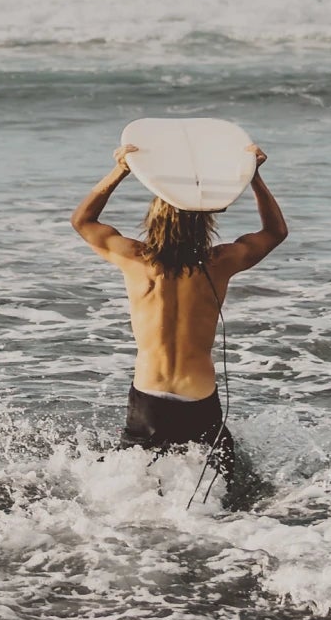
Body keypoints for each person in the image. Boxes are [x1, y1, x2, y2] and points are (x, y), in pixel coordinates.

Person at [70, 142, 286, 509]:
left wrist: (121, 170)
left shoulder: (136, 259)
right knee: (221, 475)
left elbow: (83, 221)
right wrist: (255, 178)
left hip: (148, 391)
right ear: (205, 221)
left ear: (153, 219)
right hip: (197, 395)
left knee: (133, 471)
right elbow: (275, 231)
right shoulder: (220, 262)